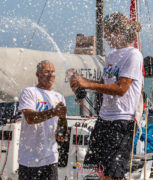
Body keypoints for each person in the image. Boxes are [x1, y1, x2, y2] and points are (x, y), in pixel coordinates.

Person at [69, 12, 143, 180]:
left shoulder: (133, 55)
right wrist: (82, 82)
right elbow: (103, 84)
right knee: (100, 171)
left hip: (122, 121)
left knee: (114, 175)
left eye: (107, 32)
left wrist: (87, 84)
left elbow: (121, 88)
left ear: (116, 31)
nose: (105, 37)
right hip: (104, 119)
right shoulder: (111, 56)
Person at [18, 60, 67, 180]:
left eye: (53, 72)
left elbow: (61, 124)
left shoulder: (59, 97)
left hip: (51, 159)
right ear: (37, 74)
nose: (51, 75)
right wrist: (53, 112)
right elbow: (30, 118)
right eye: (46, 72)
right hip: (28, 159)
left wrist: (62, 134)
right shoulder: (29, 92)